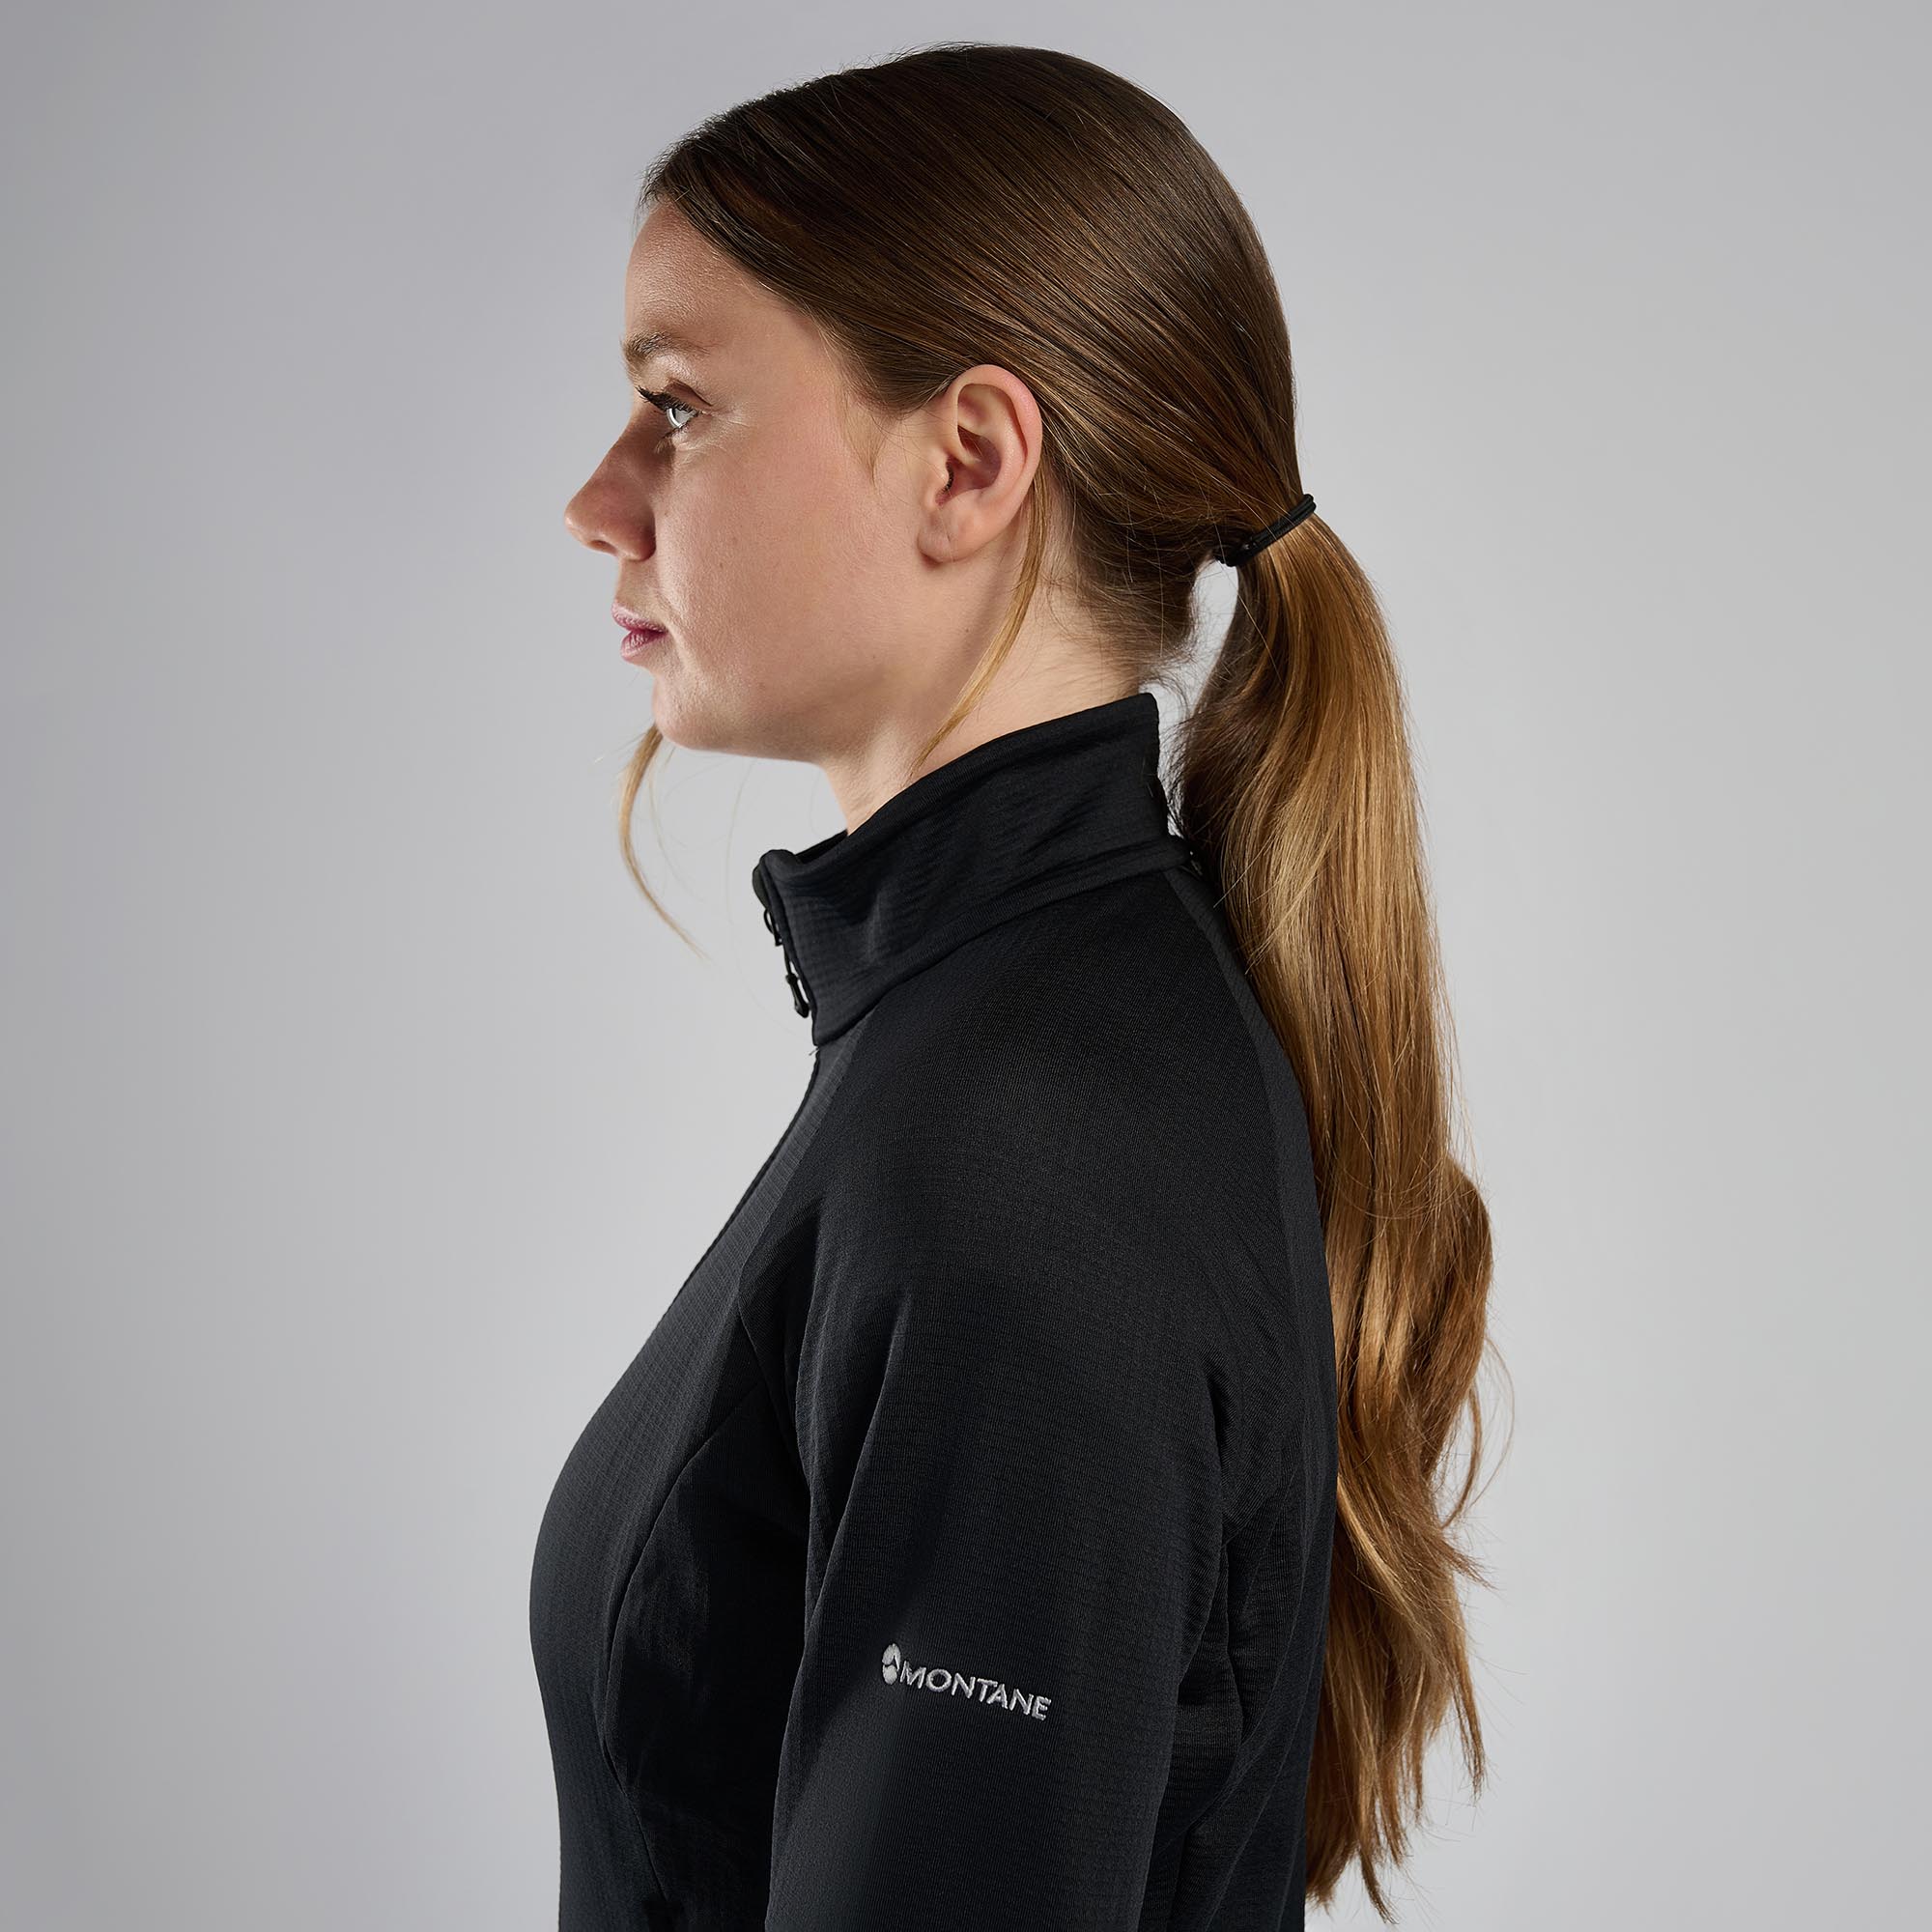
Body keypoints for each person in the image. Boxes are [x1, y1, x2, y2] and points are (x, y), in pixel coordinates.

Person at [534, 42, 1495, 1930]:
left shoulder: (1026, 1150)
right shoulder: (998, 1047)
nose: (597, 499)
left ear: (967, 463)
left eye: (678, 406)